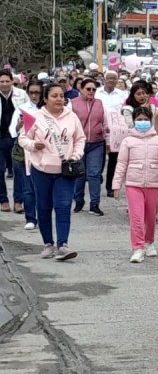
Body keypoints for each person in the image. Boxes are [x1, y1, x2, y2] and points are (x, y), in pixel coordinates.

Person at [18, 84, 85, 261]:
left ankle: (63, 244)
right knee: (44, 207)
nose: (58, 99)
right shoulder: (34, 117)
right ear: (45, 98)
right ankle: (48, 243)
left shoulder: (72, 117)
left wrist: (75, 155)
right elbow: (23, 138)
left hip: (65, 170)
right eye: (54, 96)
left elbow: (80, 138)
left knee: (63, 206)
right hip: (41, 169)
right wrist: (33, 145)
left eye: (61, 96)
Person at [112, 107, 158, 264]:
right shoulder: (128, 141)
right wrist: (116, 184)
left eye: (145, 119)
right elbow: (121, 164)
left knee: (151, 217)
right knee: (136, 217)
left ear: (150, 120)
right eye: (139, 120)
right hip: (133, 184)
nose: (142, 122)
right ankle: (138, 248)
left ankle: (149, 242)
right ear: (134, 121)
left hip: (153, 184)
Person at [70, 78, 108, 216]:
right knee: (79, 174)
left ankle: (94, 204)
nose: (91, 91)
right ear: (81, 89)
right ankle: (78, 200)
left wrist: (107, 138)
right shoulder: (72, 104)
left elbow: (105, 122)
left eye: (94, 89)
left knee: (94, 174)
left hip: (96, 143)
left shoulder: (99, 103)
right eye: (88, 89)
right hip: (79, 144)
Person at [11, 80, 43, 227]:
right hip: (25, 153)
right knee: (28, 187)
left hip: (44, 152)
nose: (34, 95)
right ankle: (30, 218)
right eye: (31, 92)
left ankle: (43, 217)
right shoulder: (22, 109)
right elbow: (12, 131)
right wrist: (19, 127)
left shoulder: (47, 109)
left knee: (43, 188)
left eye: (37, 92)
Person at [0, 70, 30, 207]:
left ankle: (18, 201)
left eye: (7, 81)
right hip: (0, 137)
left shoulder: (22, 95)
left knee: (18, 170)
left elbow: (29, 113)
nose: (4, 84)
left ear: (12, 81)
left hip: (17, 137)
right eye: (1, 81)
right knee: (0, 170)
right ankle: (3, 200)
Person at [96, 70, 128, 198]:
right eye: (108, 78)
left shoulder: (123, 94)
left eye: (114, 79)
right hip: (99, 128)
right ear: (104, 79)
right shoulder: (97, 93)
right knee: (99, 158)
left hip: (116, 131)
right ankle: (96, 179)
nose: (111, 81)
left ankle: (110, 186)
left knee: (114, 160)